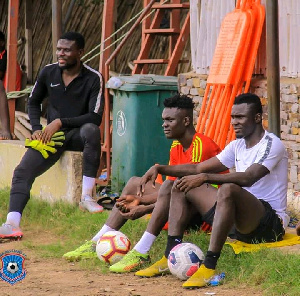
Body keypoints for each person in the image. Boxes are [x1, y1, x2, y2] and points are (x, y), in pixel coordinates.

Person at [136, 93, 289, 289]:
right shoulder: (236, 145)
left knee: (229, 189)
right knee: (181, 184)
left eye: (240, 117)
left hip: (269, 223)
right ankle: (170, 255)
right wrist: (160, 168)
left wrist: (207, 178)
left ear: (257, 118)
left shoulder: (272, 144)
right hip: (239, 222)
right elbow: (198, 168)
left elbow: (249, 177)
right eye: (233, 117)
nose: (234, 122)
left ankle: (209, 266)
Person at [63, 94, 222, 265]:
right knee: (133, 183)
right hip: (182, 201)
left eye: (169, 120)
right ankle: (96, 242)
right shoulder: (176, 146)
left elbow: (186, 194)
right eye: (163, 120)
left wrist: (145, 209)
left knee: (174, 189)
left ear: (185, 121)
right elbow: (169, 191)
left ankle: (142, 251)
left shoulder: (201, 146)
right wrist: (140, 199)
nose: (164, 125)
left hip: (202, 216)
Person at [0, 32, 105, 240]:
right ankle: (12, 224)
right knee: (22, 171)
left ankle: (86, 196)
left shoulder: (94, 77)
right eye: (59, 49)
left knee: (92, 130)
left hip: (77, 135)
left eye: (67, 50)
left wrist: (60, 122)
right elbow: (33, 102)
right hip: (51, 138)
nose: (61, 54)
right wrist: (37, 127)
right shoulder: (48, 72)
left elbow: (95, 116)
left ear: (80, 52)